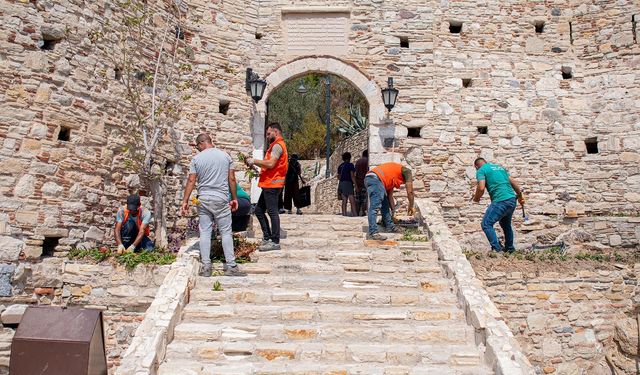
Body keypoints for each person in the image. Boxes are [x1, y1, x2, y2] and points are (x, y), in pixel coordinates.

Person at [180, 133, 246, 277]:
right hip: (221, 198)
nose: (198, 149)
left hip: (203, 199)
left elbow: (191, 181)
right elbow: (232, 179)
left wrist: (185, 201)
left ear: (202, 143)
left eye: (198, 146)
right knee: (226, 232)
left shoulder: (196, 159)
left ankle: (206, 267)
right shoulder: (226, 156)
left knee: (205, 232)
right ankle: (231, 266)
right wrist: (234, 198)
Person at [244, 122, 288, 252]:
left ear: (276, 132)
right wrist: (257, 169)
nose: (267, 136)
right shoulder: (275, 146)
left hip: (272, 185)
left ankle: (274, 241)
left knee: (272, 212)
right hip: (270, 183)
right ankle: (267, 237)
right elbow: (270, 166)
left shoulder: (277, 146)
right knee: (258, 210)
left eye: (269, 134)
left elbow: (271, 163)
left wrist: (254, 161)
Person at [471, 157, 525, 253]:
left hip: (501, 200)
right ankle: (510, 249)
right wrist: (520, 196)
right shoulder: (499, 168)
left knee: (486, 224)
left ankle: (497, 250)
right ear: (486, 162)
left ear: (476, 166)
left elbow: (481, 187)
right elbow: (514, 183)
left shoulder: (481, 170)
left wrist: (476, 198)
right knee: (505, 224)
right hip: (512, 199)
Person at [365, 162, 415, 240]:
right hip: (375, 179)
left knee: (384, 204)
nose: (403, 184)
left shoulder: (391, 177)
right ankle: (373, 233)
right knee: (375, 207)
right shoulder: (407, 172)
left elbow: (389, 197)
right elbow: (410, 192)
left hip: (372, 178)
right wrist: (411, 206)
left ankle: (390, 226)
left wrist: (393, 212)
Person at [337, 152, 357, 217]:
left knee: (344, 200)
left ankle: (344, 214)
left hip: (341, 183)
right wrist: (356, 185)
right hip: (348, 183)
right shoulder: (350, 165)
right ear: (349, 158)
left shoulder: (340, 166)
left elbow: (338, 177)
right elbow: (352, 176)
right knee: (352, 200)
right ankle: (354, 214)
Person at [354, 150, 369, 216]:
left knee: (357, 199)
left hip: (358, 182)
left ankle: (357, 213)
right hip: (365, 182)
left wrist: (355, 184)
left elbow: (355, 173)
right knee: (364, 199)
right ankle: (363, 212)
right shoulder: (368, 161)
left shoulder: (358, 162)